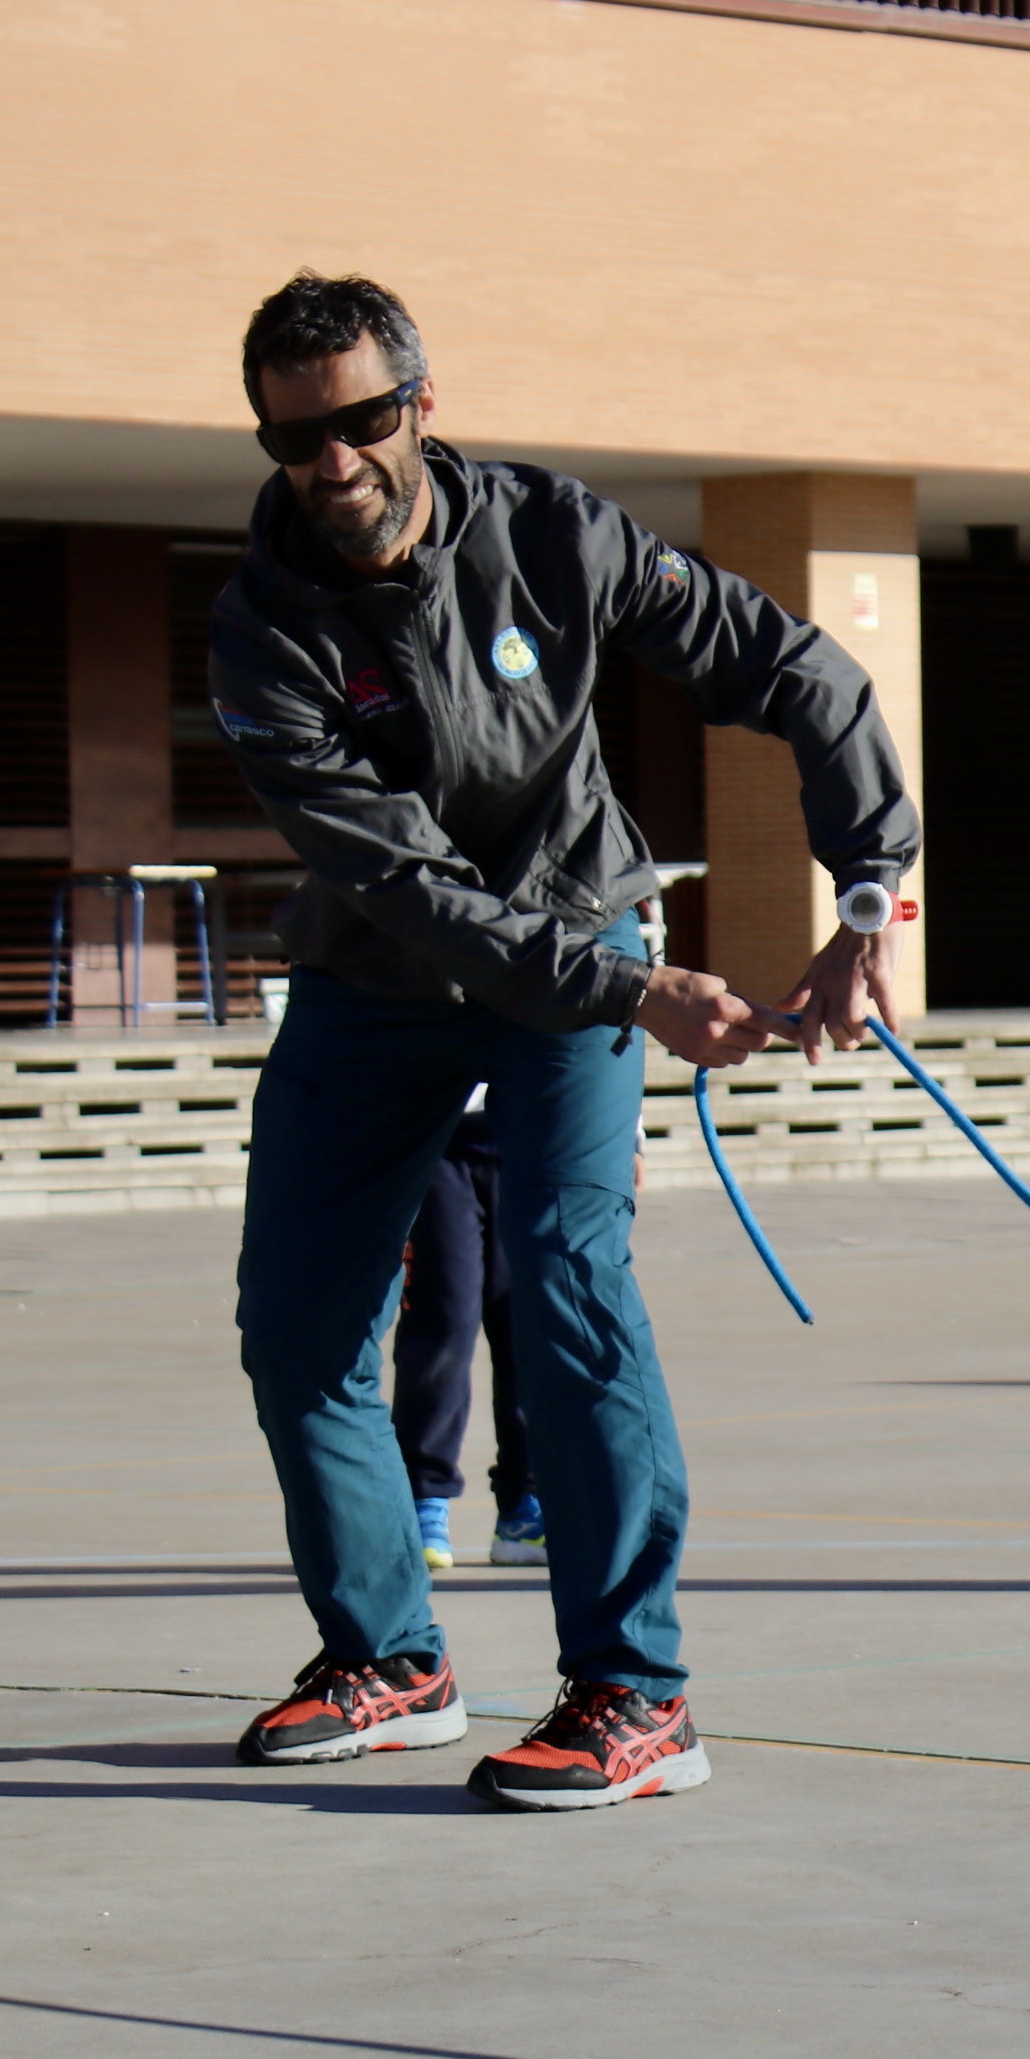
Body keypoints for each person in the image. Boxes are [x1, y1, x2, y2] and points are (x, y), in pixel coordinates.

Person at [209, 273, 915, 1810]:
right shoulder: (264, 631)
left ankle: (633, 1693)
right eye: (295, 439)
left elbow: (802, 672)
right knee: (298, 1322)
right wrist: (635, 998)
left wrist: (867, 896)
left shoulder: (552, 534)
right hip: (382, 970)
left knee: (566, 1265)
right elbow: (403, 881)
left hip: (581, 929)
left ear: (421, 404)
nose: (333, 463)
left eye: (361, 422)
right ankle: (390, 1659)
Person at [390, 1098, 535, 1573]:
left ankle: (525, 1505)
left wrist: (629, 1134)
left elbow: (623, 1029)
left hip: (535, 1128)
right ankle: (422, 1496)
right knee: (442, 1323)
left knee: (528, 1331)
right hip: (437, 1135)